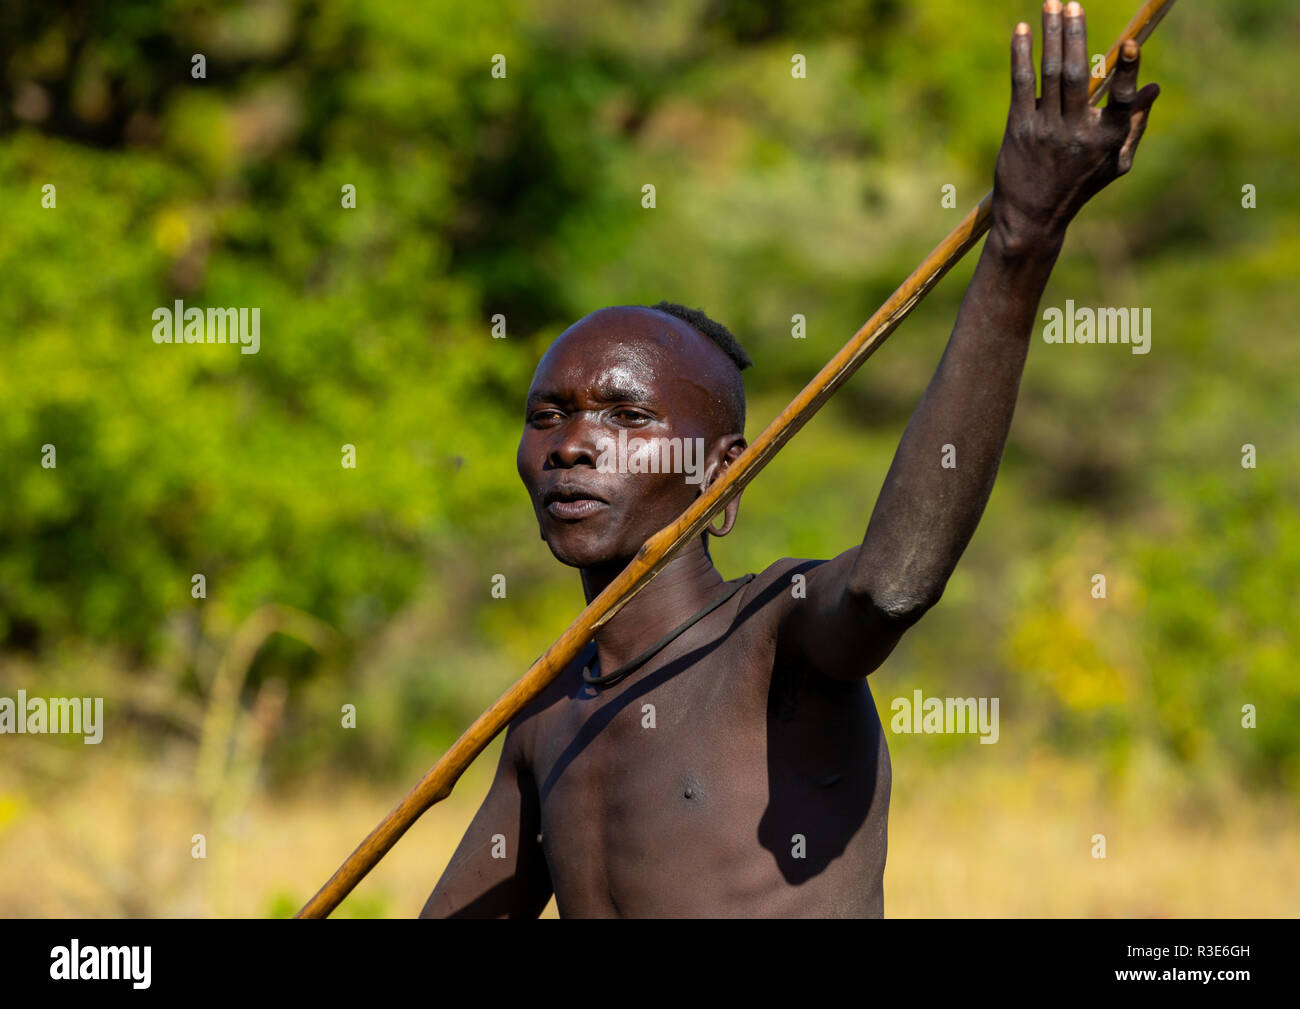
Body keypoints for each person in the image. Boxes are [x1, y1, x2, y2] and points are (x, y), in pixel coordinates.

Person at [421, 0, 1159, 917]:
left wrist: (1020, 239)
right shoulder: (543, 720)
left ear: (722, 474)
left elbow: (889, 586)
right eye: (549, 415)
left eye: (624, 414)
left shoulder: (774, 639)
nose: (573, 444)